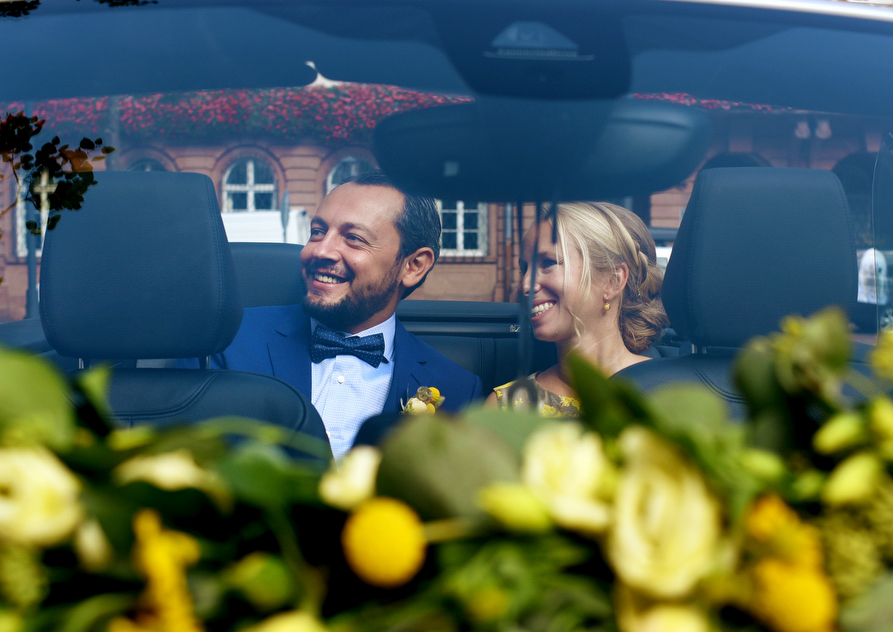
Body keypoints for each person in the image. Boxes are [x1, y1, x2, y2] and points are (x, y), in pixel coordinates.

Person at [204, 170, 484, 457]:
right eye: (317, 232)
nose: (321, 250)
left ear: (413, 266)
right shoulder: (223, 340)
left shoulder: (458, 390)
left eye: (353, 238)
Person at [487, 202, 666, 416]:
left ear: (612, 281)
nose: (525, 284)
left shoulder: (669, 393)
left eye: (548, 263)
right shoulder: (504, 407)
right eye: (524, 269)